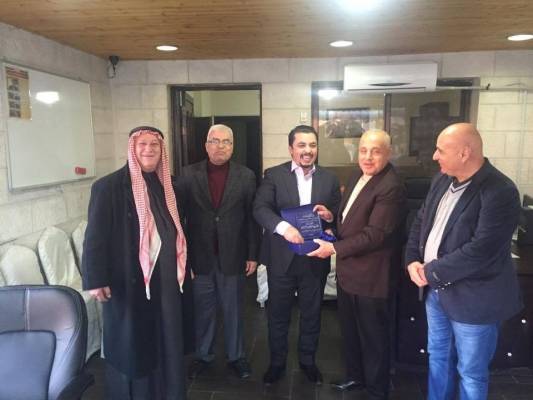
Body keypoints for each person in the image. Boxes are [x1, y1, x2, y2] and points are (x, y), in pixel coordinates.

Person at [405, 123, 522, 400]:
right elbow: (421, 221)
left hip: (474, 299)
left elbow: (481, 250)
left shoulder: (500, 190)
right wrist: (412, 260)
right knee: (438, 358)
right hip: (436, 293)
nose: (434, 156)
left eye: (441, 150)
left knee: (470, 372)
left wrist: (430, 271)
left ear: (465, 153)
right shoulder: (441, 180)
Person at [82, 126, 189, 399]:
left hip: (167, 281)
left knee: (167, 337)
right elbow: (94, 237)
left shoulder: (171, 186)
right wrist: (96, 279)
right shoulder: (108, 187)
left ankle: (169, 392)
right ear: (132, 148)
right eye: (142, 144)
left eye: (154, 144)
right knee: (134, 344)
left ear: (162, 150)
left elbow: (182, 230)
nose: (149, 149)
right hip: (129, 281)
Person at [309, 130, 406, 400]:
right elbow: (350, 215)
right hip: (349, 273)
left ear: (388, 153)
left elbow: (375, 234)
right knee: (350, 331)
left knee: (374, 338)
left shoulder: (391, 186)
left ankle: (376, 390)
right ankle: (356, 376)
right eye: (363, 150)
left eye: (375, 151)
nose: (368, 157)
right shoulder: (356, 175)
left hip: (372, 276)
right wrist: (332, 218)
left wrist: (334, 248)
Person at [253, 125, 341, 385]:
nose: (307, 150)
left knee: (312, 315)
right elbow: (260, 208)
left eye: (312, 145)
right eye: (301, 145)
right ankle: (277, 363)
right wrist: (284, 228)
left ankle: (308, 361)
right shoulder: (274, 175)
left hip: (315, 257)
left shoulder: (329, 178)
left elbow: (337, 215)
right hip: (282, 258)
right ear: (291, 148)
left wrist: (330, 216)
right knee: (278, 315)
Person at [178, 124, 260, 379]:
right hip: (199, 257)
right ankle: (203, 355)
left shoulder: (246, 176)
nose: (220, 146)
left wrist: (253, 254)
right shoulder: (187, 175)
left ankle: (237, 357)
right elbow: (179, 220)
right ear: (206, 145)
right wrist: (183, 258)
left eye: (226, 142)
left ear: (233, 146)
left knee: (234, 309)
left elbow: (252, 219)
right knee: (203, 310)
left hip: (233, 255)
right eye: (215, 141)